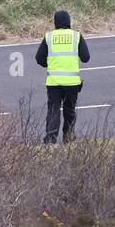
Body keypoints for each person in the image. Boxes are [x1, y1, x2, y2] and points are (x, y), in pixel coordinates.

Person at [35, 9, 91, 144]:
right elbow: (86, 58)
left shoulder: (49, 37)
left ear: (55, 22)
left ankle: (50, 139)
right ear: (69, 22)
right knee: (69, 110)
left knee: (53, 111)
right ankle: (69, 137)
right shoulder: (76, 36)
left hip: (54, 83)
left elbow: (39, 58)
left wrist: (50, 64)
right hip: (72, 83)